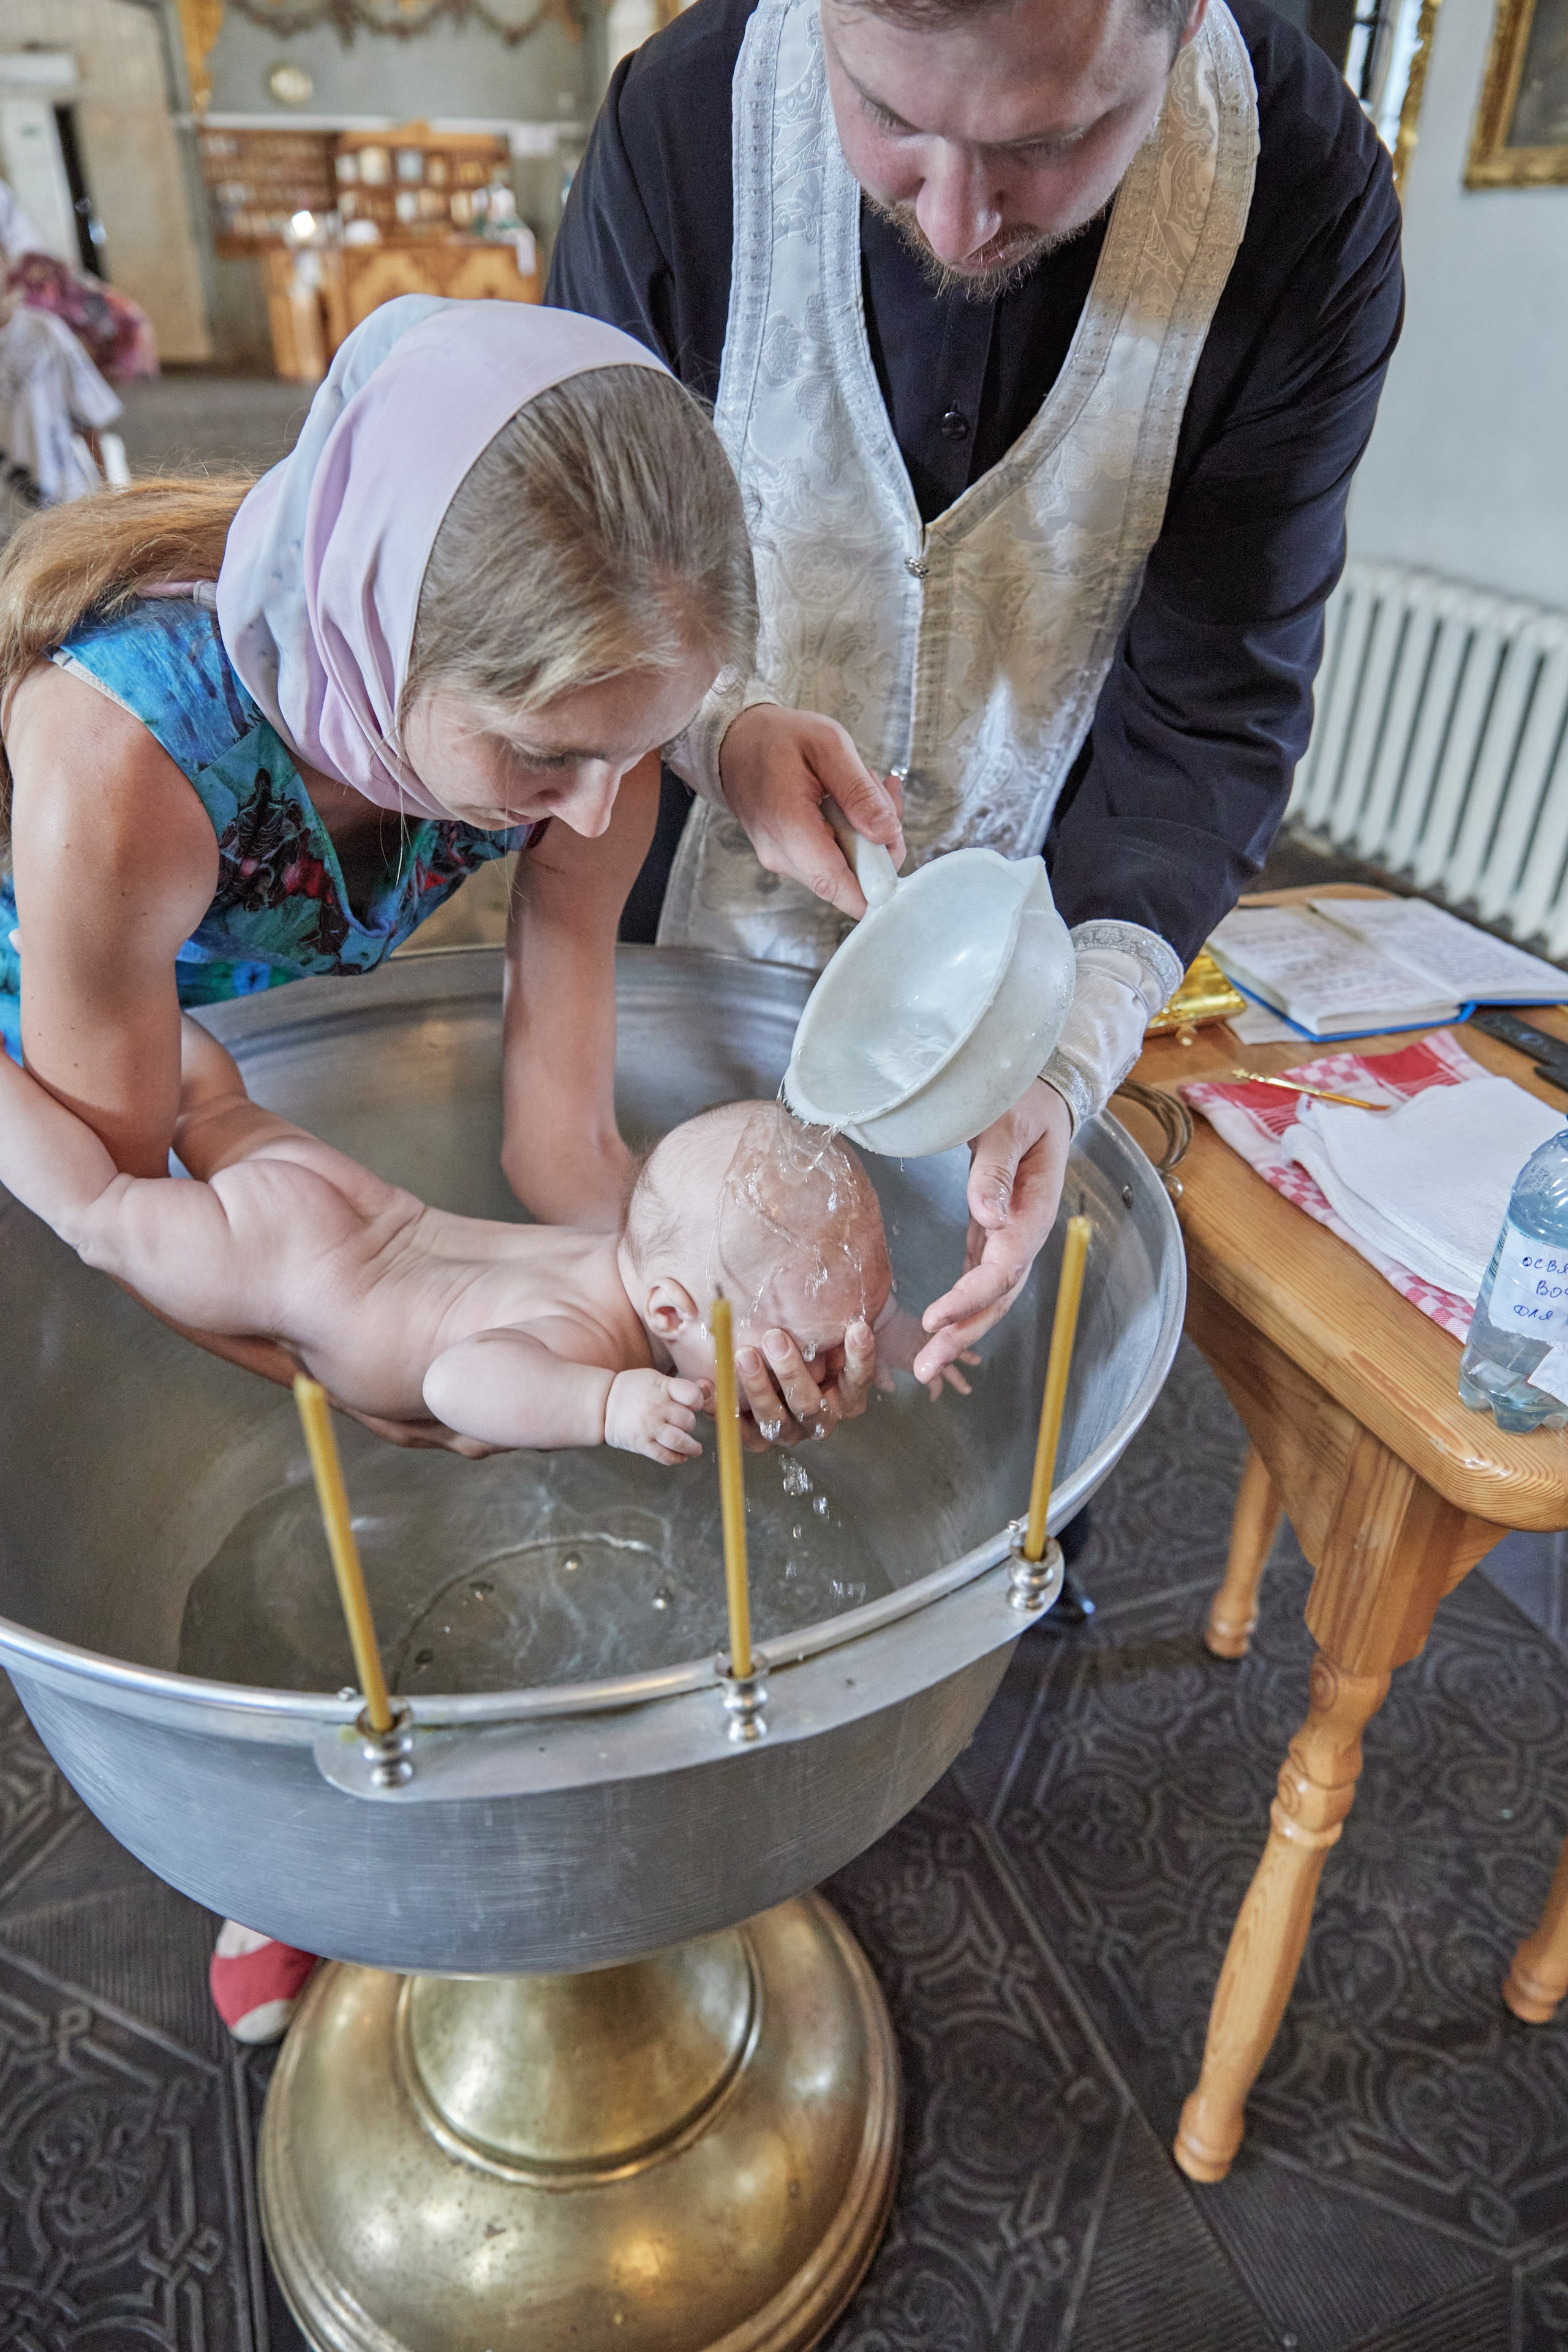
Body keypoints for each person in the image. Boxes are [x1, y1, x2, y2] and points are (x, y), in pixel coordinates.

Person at [548, 0, 1405, 1390]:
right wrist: (720, 731)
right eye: (886, 117)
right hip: (676, 883)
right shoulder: (682, 127)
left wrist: (1062, 1055)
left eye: (1047, 143)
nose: (954, 226)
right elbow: (580, 569)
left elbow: (1210, 704)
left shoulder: (1301, 201)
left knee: (944, 1364)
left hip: (1041, 904)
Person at [0, 297, 758, 1366]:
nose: (597, 810)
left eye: (639, 748)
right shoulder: (129, 768)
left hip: (185, 1020)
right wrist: (371, 1357)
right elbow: (123, 1212)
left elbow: (563, 1145)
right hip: (46, 1057)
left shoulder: (594, 737)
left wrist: (687, 1319)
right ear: (379, 641)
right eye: (540, 754)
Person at [0, 1022, 953, 1464]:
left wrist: (893, 1332)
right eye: (811, 1350)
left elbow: (805, 1286)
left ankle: (66, 994)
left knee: (208, 1101)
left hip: (349, 1208)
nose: (820, 1368)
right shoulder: (590, 1341)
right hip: (290, 1266)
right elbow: (457, 1386)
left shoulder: (629, 1256)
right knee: (95, 1211)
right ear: (670, 1312)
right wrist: (604, 1405)